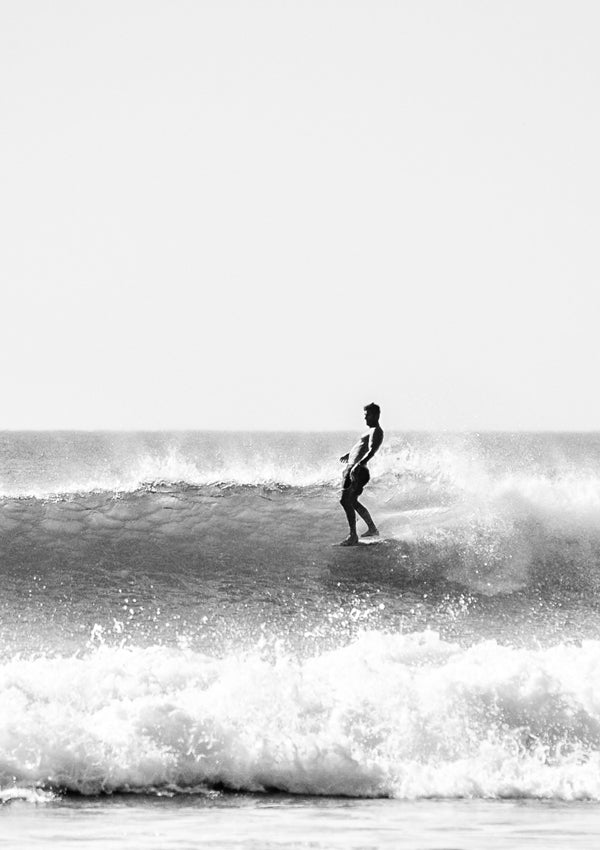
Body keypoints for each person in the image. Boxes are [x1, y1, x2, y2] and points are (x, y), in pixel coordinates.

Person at [339, 402, 384, 546]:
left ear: (375, 415)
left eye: (367, 415)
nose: (365, 418)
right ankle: (372, 529)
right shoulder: (370, 431)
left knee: (345, 500)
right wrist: (350, 454)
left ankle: (353, 535)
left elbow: (372, 450)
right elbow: (361, 448)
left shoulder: (376, 431)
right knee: (352, 501)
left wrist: (358, 464)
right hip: (354, 467)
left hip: (357, 469)